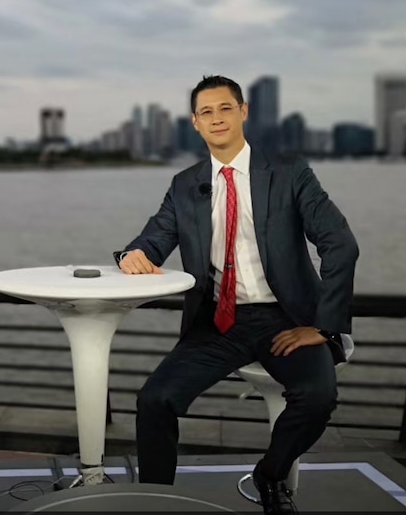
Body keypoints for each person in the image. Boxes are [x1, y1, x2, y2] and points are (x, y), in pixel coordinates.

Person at [114, 75, 359, 514]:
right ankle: (155, 499)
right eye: (206, 112)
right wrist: (133, 254)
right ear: (195, 123)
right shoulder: (185, 184)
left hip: (285, 319)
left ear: (243, 112)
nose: (216, 118)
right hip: (217, 323)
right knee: (154, 400)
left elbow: (340, 244)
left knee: (318, 397)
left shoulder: (289, 173)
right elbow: (154, 238)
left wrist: (323, 325)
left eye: (225, 108)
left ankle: (270, 474)